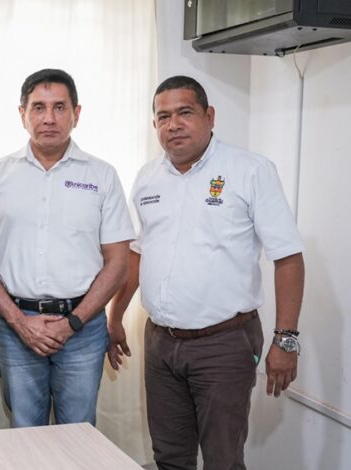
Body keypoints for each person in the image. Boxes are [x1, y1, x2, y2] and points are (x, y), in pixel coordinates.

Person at [109, 75, 305, 470]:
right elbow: (136, 254)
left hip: (224, 344)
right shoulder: (147, 178)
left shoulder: (250, 170)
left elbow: (288, 257)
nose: (174, 125)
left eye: (185, 113)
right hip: (160, 343)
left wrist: (286, 340)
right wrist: (115, 318)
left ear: (209, 116)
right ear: (154, 125)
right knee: (169, 457)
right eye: (163, 116)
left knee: (222, 459)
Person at [0, 69, 134, 428]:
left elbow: (118, 262)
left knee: (77, 434)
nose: (49, 118)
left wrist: (73, 323)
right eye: (39, 107)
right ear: (22, 114)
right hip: (14, 328)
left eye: (59, 107)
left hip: (83, 328)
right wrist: (19, 322)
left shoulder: (102, 175)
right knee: (25, 431)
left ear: (76, 113)